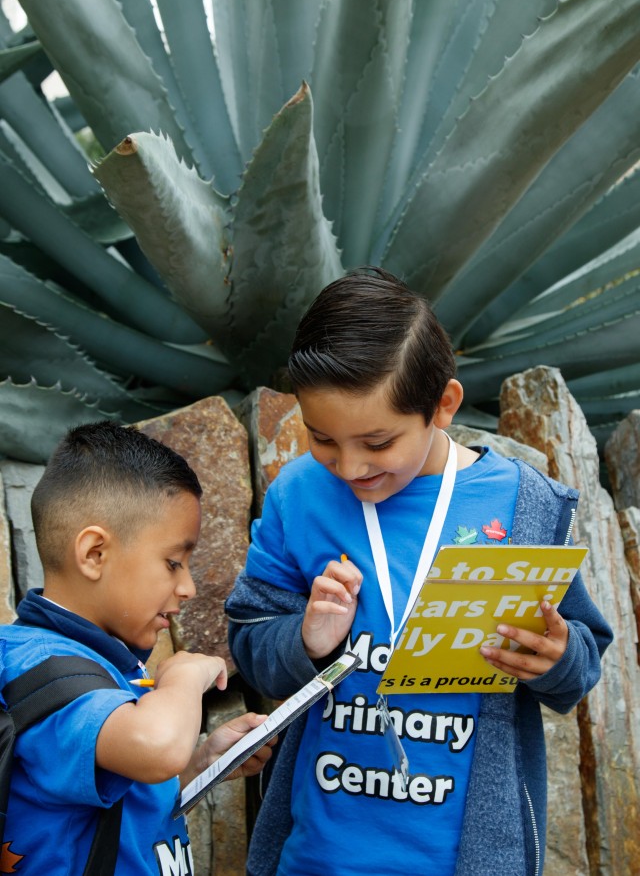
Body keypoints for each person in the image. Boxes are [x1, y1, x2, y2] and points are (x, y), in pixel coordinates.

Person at [225, 267, 612, 876]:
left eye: (378, 443)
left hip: (467, 858)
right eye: (322, 438)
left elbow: (581, 663)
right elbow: (250, 640)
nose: (350, 467)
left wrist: (558, 658)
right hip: (319, 854)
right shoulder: (299, 493)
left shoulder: (525, 506)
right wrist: (303, 637)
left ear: (444, 405)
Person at [0, 421, 273, 875]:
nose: (186, 587)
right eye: (172, 562)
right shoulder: (43, 672)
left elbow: (108, 801)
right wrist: (184, 675)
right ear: (94, 554)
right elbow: (154, 746)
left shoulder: (100, 662)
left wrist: (202, 762)